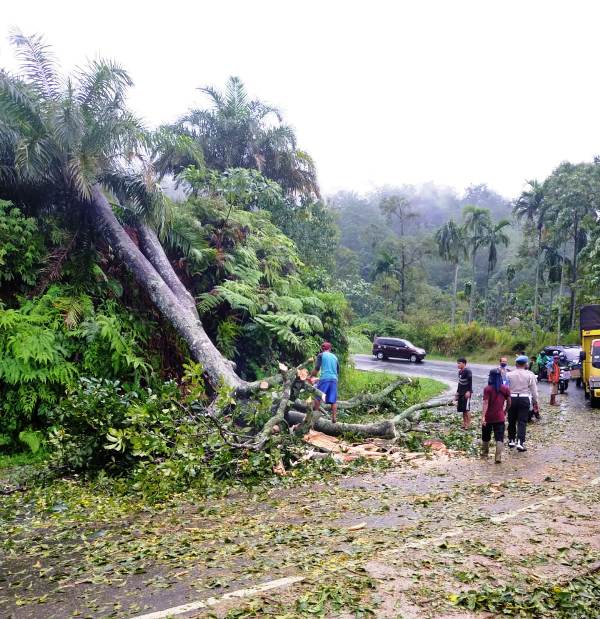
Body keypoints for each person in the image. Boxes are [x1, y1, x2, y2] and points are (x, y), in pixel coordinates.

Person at [507, 355, 539, 452]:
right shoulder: (530, 375)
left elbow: (505, 388)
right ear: (526, 364)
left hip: (511, 398)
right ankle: (520, 442)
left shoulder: (509, 374)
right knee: (522, 421)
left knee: (511, 420)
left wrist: (504, 401)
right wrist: (535, 402)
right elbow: (534, 391)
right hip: (524, 398)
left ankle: (511, 440)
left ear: (516, 364)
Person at [481, 368, 511, 463]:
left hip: (489, 417)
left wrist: (483, 416)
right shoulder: (505, 388)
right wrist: (505, 410)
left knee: (486, 436)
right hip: (500, 417)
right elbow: (509, 402)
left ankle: (485, 453)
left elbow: (485, 403)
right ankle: (498, 457)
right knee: (499, 437)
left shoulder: (487, 389)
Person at [310, 342, 340, 423]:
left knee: (318, 396)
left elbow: (316, 369)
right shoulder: (335, 357)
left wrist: (311, 376)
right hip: (334, 379)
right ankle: (334, 417)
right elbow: (337, 371)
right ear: (330, 349)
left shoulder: (321, 355)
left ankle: (315, 414)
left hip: (325, 378)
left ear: (322, 349)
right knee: (333, 400)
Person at [455, 357, 472, 429]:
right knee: (462, 409)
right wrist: (457, 393)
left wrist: (469, 391)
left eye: (459, 363)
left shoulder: (468, 371)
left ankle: (468, 424)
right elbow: (460, 383)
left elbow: (470, 382)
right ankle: (464, 423)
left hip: (466, 393)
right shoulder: (460, 372)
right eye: (457, 363)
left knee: (466, 409)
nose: (458, 365)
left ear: (464, 363)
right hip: (461, 393)